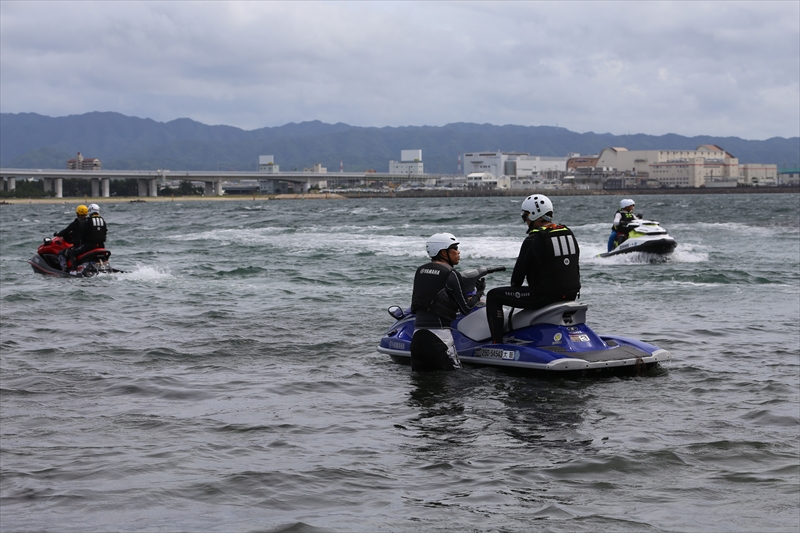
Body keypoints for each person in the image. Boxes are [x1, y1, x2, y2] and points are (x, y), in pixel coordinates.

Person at [485, 194, 581, 344]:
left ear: (534, 215)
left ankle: (497, 343)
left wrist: (515, 292)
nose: (526, 221)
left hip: (544, 297)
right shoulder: (568, 233)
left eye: (525, 217)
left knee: (493, 296)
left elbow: (517, 279)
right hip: (571, 294)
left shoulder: (533, 239)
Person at [409, 233, 485, 371]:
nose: (458, 252)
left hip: (417, 336)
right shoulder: (451, 273)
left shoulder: (420, 270)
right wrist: (479, 293)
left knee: (421, 385)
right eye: (454, 248)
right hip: (440, 336)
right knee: (451, 383)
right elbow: (466, 308)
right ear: (443, 252)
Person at [65, 203, 107, 269]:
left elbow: (83, 233)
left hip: (90, 245)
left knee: (72, 253)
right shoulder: (102, 220)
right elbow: (105, 232)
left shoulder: (88, 220)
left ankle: (73, 270)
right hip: (102, 245)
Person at [54, 205, 88, 270]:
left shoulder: (76, 223)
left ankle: (65, 269)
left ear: (77, 213)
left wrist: (57, 234)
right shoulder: (89, 222)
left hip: (78, 246)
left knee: (61, 253)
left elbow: (65, 231)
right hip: (87, 246)